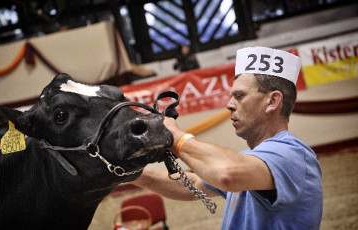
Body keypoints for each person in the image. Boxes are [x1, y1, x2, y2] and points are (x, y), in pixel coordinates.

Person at [132, 46, 323, 229]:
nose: (229, 105)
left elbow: (227, 173)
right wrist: (128, 172)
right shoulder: (251, 159)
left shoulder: (292, 154)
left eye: (239, 96)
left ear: (272, 101)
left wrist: (175, 136)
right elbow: (194, 184)